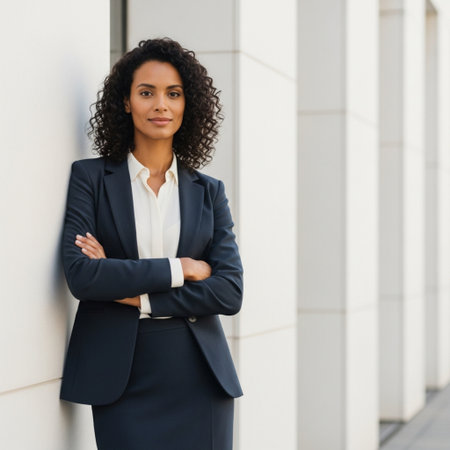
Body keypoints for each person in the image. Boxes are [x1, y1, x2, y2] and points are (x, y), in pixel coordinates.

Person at [60, 37, 243, 450]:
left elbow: (229, 291)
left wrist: (136, 295)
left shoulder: (208, 192)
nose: (161, 104)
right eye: (147, 92)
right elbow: (84, 276)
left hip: (199, 374)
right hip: (120, 375)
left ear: (186, 105)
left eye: (173, 94)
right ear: (126, 102)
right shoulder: (90, 179)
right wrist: (183, 268)